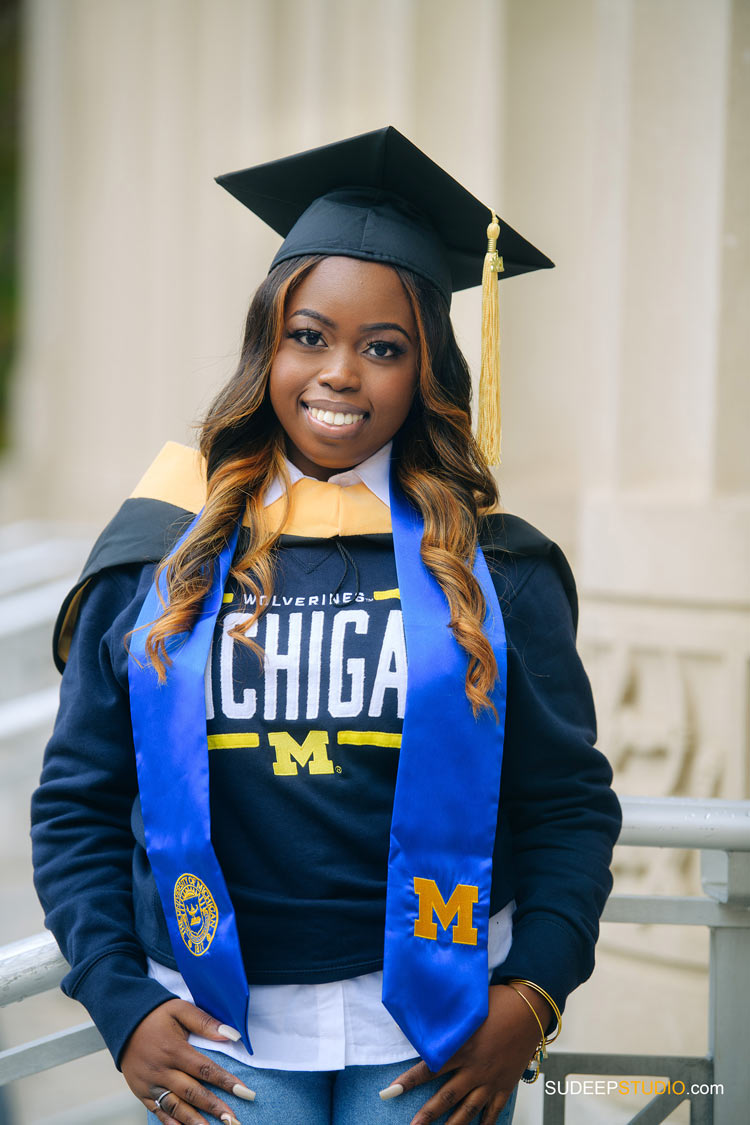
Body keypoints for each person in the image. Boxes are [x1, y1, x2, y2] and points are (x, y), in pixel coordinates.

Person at [31, 127, 621, 1125]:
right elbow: (79, 803)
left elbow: (567, 804)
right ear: (269, 345)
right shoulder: (160, 559)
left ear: (425, 365)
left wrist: (538, 992)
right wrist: (120, 1001)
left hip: (439, 1031)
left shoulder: (494, 569)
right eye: (310, 336)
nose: (341, 372)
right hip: (218, 1033)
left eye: (382, 348)